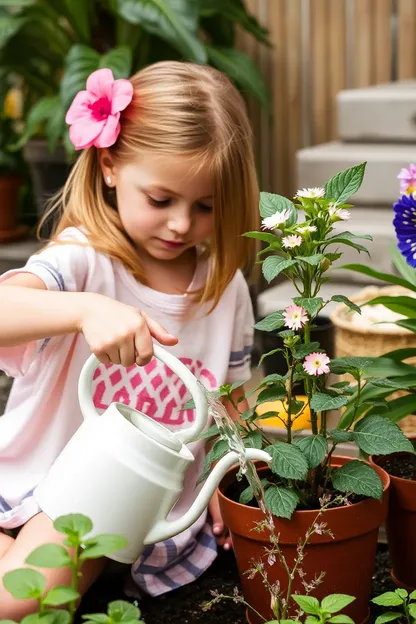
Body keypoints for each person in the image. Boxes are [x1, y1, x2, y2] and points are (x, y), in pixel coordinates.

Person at [0, 61, 258, 617]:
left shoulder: (224, 288)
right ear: (110, 166)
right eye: (161, 199)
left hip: (99, 501)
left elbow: (230, 396)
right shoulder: (84, 261)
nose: (181, 225)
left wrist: (225, 468)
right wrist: (83, 310)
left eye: (206, 206)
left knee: (22, 601)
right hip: (22, 477)